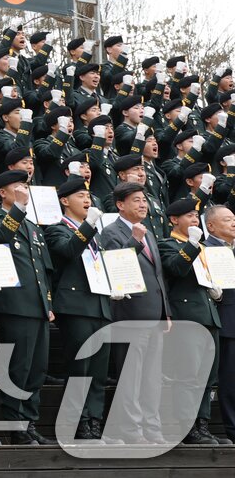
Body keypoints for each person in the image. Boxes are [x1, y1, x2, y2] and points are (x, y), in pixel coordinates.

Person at [0, 168, 56, 445]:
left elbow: (42, 269)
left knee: (37, 369)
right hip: (13, 305)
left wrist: (48, 302)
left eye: (26, 186)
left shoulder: (32, 226)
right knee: (18, 368)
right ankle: (16, 425)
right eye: (17, 187)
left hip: (37, 306)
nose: (24, 190)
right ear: (2, 192)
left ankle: (30, 422)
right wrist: (20, 208)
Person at [99, 181, 172, 444]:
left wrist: (166, 311)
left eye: (144, 200)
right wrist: (135, 240)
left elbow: (158, 276)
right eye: (136, 200)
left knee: (152, 378)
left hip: (154, 314)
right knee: (131, 376)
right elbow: (117, 267)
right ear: (120, 204)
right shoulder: (112, 231)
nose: (143, 205)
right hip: (130, 314)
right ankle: (131, 430)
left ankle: (152, 428)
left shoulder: (147, 231)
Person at [42, 177, 112, 441]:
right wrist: (89, 225)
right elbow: (69, 251)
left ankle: (94, 420)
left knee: (98, 371)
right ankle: (78, 421)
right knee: (80, 368)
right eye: (80, 196)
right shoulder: (57, 229)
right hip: (76, 306)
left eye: (88, 196)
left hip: (100, 304)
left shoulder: (95, 233)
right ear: (64, 200)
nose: (87, 200)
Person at [158, 199, 224, 444]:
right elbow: (176, 269)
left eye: (196, 216)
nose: (195, 220)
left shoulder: (202, 248)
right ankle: (188, 426)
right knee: (188, 375)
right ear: (174, 220)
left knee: (207, 377)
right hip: (187, 316)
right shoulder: (167, 244)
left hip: (208, 314)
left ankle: (202, 424)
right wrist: (192, 244)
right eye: (189, 216)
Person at [204, 205, 235, 441]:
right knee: (230, 380)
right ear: (211, 226)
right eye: (227, 220)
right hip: (226, 321)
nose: (233, 223)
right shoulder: (205, 249)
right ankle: (232, 429)